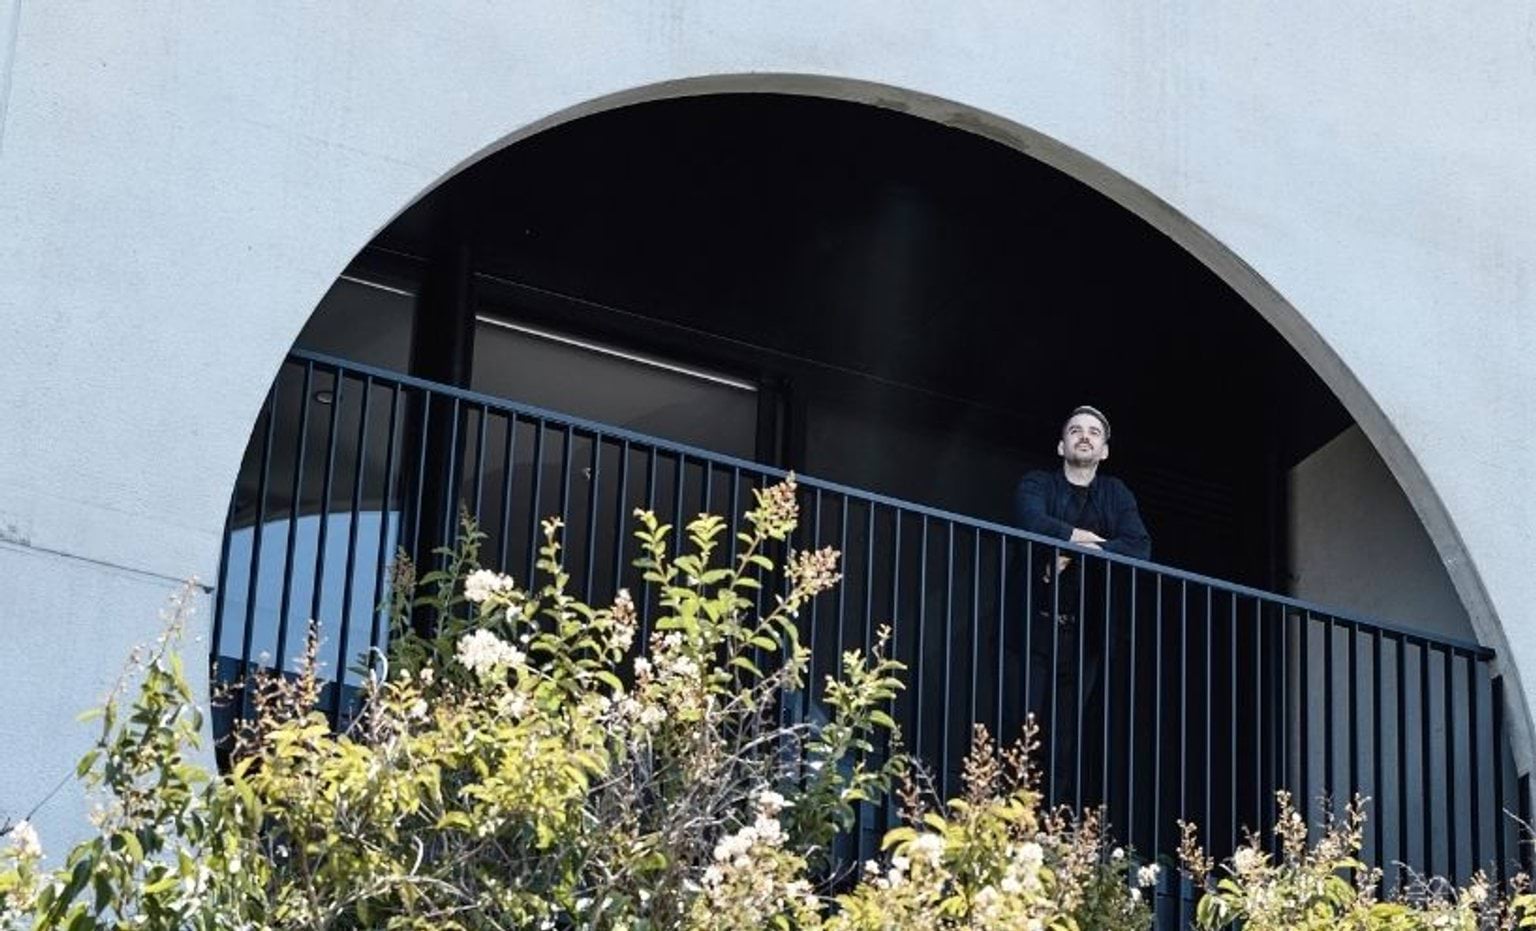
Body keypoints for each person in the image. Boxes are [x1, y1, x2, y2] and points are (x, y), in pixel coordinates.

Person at [1012, 405, 1150, 807]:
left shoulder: (1115, 493)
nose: (1084, 436)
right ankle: (1006, 819)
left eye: (1094, 432)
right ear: (1061, 444)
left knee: (1064, 739)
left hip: (1083, 635)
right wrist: (1083, 538)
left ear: (1104, 450)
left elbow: (1139, 547)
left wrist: (1073, 548)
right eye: (1075, 430)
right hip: (1029, 629)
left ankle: (1049, 823)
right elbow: (1029, 520)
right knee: (1020, 726)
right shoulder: (1037, 483)